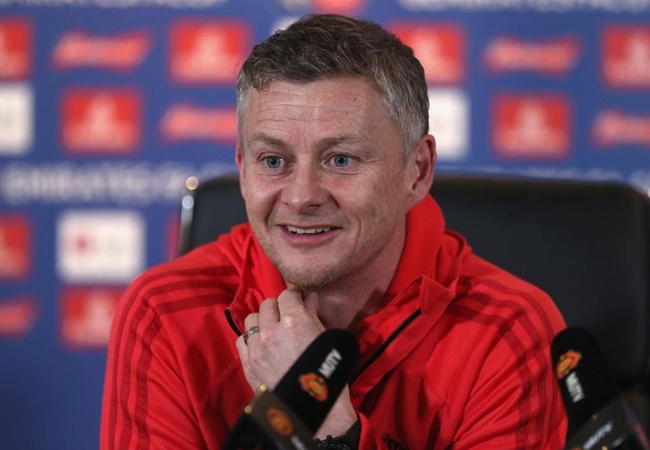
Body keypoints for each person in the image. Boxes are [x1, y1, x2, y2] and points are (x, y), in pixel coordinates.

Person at [100, 13, 567, 450]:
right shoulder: (165, 314)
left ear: (418, 171)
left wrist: (321, 418)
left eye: (341, 159)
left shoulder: (511, 331)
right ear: (242, 170)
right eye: (273, 161)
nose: (302, 196)